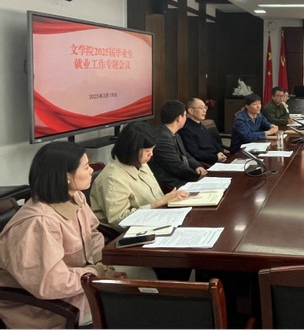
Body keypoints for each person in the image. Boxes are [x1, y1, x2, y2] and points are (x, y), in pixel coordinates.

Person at [0, 142, 124, 329]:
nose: (91, 170)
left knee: (141, 281)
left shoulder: (75, 196)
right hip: (49, 307)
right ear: (66, 176)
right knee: (132, 300)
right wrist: (96, 273)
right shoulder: (39, 223)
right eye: (86, 167)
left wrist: (102, 264)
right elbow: (51, 283)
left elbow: (93, 234)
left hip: (78, 284)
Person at [91, 122, 190, 232]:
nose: (151, 154)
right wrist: (159, 203)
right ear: (132, 150)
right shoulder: (113, 178)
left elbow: (156, 196)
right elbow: (120, 221)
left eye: (152, 149)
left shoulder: (140, 162)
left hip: (157, 219)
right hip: (132, 232)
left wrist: (171, 198)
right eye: (147, 151)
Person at [148, 100, 208, 190]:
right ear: (179, 118)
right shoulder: (162, 138)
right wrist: (197, 177)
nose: (186, 118)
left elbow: (185, 154)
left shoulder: (174, 133)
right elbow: (176, 166)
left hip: (182, 178)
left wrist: (197, 166)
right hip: (172, 185)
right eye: (185, 115)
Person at [178, 98, 227, 165]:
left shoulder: (200, 125)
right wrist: (215, 157)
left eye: (205, 108)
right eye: (201, 108)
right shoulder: (185, 129)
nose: (204, 111)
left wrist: (220, 152)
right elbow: (195, 153)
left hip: (216, 159)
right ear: (191, 111)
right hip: (205, 163)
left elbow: (213, 141)